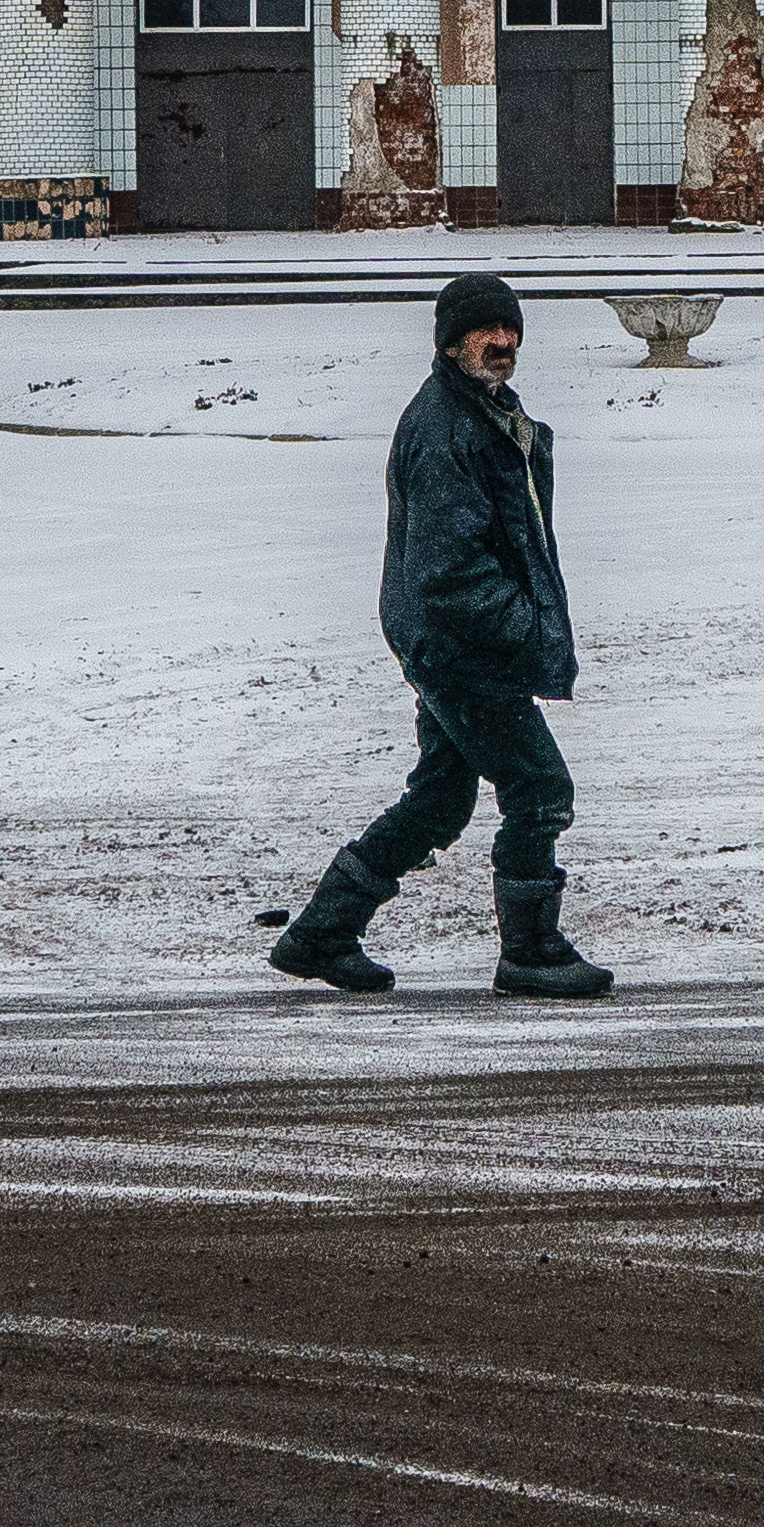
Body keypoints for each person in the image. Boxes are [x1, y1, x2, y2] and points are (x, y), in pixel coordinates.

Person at [268, 271, 614, 999]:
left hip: (451, 643)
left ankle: (321, 932)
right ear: (452, 341)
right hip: (464, 649)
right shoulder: (445, 426)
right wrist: (520, 629)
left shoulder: (481, 412)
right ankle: (531, 950)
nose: (504, 342)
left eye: (511, 330)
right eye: (487, 331)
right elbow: (448, 569)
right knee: (539, 785)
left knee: (439, 800)